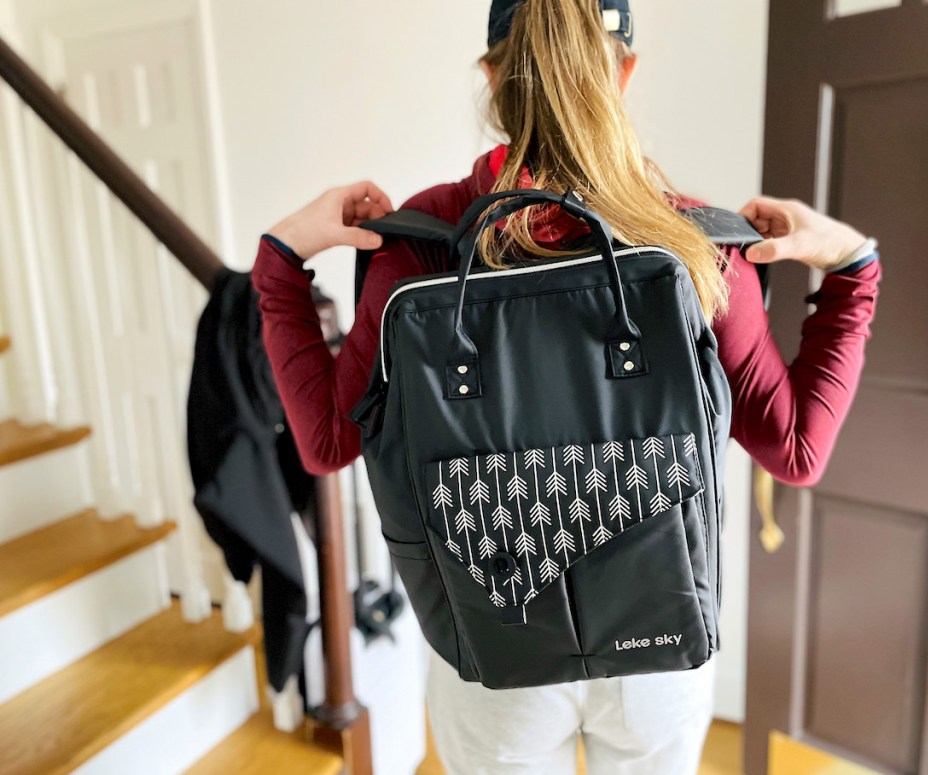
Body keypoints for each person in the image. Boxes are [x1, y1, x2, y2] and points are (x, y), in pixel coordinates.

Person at [251, 1, 881, 772]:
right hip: (658, 643)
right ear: (624, 71)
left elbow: (323, 441)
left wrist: (282, 259)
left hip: (489, 646)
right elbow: (796, 448)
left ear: (491, 77)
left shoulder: (424, 241)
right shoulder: (691, 240)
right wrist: (853, 268)